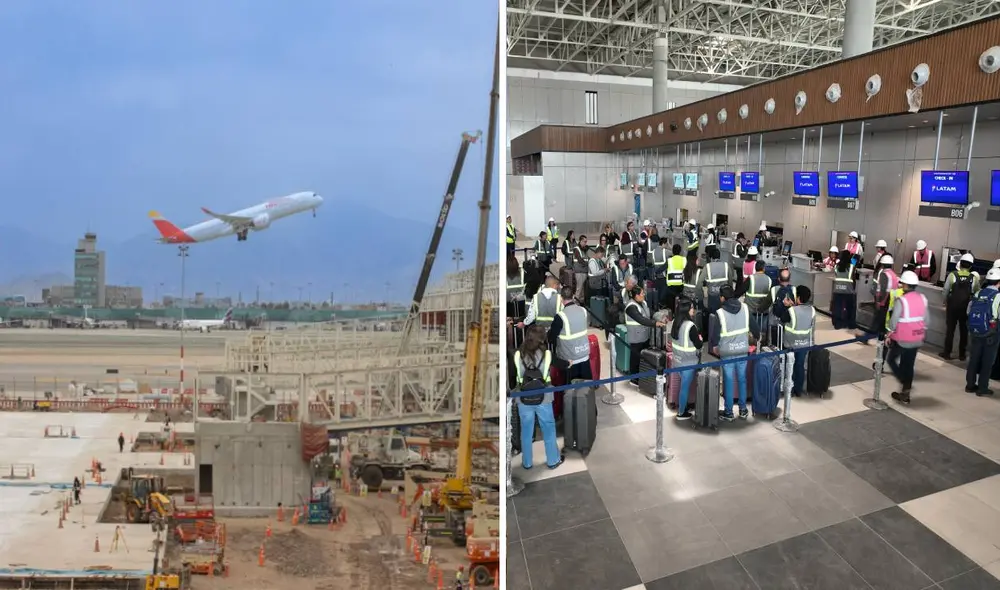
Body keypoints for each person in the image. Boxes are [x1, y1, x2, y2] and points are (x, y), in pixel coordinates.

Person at [513, 326, 563, 470]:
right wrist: (569, 363)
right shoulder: (547, 354)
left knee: (526, 431)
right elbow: (562, 364)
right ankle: (553, 460)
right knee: (548, 429)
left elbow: (513, 377)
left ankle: (527, 462)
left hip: (523, 397)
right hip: (544, 396)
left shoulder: (517, 354)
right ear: (542, 339)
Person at [710, 285, 755, 421]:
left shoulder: (720, 313)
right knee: (742, 379)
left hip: (727, 352)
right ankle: (743, 409)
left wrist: (714, 347)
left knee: (728, 382)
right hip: (742, 349)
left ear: (722, 298)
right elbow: (755, 328)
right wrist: (754, 340)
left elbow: (715, 336)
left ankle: (729, 412)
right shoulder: (745, 308)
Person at [886, 271, 927, 405]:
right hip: (917, 338)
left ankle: (905, 382)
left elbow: (893, 322)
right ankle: (905, 393)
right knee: (908, 364)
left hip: (903, 339)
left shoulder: (901, 301)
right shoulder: (923, 299)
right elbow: (927, 321)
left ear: (905, 285)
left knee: (891, 359)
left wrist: (889, 334)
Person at [965, 267, 1000, 398]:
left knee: (974, 358)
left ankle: (970, 385)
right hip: (991, 333)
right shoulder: (998, 296)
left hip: (975, 331)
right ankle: (982, 388)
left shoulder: (978, 293)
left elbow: (969, 311)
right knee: (987, 361)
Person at [623, 285, 667, 385]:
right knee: (635, 359)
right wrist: (655, 323)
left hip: (645, 336)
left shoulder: (643, 303)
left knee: (642, 358)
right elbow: (641, 319)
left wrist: (660, 317)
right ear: (636, 296)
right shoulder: (631, 307)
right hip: (636, 337)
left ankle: (642, 377)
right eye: (642, 293)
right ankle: (633, 379)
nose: (644, 295)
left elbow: (650, 313)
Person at [776, 285, 816, 396]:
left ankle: (789, 389)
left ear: (797, 297)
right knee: (800, 365)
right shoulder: (812, 310)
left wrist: (786, 305)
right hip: (804, 344)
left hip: (791, 343)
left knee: (789, 365)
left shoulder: (791, 311)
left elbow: (782, 319)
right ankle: (798, 389)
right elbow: (813, 327)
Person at [548, 287, 593, 382]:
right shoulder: (583, 311)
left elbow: (551, 338)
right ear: (573, 296)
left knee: (570, 393)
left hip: (569, 360)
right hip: (584, 355)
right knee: (586, 389)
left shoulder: (560, 316)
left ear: (561, 298)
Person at [941, 252, 979, 360]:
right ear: (971, 265)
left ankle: (947, 353)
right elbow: (977, 293)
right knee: (964, 331)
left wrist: (944, 301)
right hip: (966, 309)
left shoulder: (953, 275)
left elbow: (945, 291)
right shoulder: (973, 278)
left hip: (952, 308)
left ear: (960, 263)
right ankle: (962, 355)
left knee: (950, 331)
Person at [671, 298, 704, 420]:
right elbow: (699, 345)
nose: (693, 310)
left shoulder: (676, 322)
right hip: (688, 362)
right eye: (692, 308)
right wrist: (700, 340)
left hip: (677, 360)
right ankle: (681, 413)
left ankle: (683, 407)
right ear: (686, 310)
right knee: (685, 387)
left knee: (682, 385)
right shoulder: (691, 326)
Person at [743, 260, 772, 343]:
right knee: (762, 332)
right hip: (764, 311)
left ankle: (752, 348)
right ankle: (761, 346)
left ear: (755, 268)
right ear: (764, 269)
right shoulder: (769, 280)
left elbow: (741, 290)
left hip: (750, 311)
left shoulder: (751, 278)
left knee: (751, 332)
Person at [704, 248, 731, 335]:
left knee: (712, 316)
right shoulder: (726, 266)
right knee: (723, 315)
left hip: (712, 296)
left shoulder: (708, 266)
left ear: (711, 258)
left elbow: (701, 281)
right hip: (724, 296)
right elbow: (730, 281)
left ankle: (711, 334)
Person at [872, 254, 898, 342]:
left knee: (878, 319)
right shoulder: (894, 275)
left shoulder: (884, 274)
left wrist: (879, 301)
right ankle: (881, 338)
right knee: (883, 320)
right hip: (892, 300)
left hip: (885, 300)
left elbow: (882, 289)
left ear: (882, 264)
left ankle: (867, 337)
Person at [769, 269, 797, 346]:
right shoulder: (793, 289)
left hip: (776, 322)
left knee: (776, 344)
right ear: (790, 279)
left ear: (779, 279)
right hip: (789, 323)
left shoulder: (774, 289)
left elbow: (767, 303)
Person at [831, 251, 858, 331]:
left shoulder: (836, 266)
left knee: (837, 307)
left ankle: (837, 323)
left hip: (837, 289)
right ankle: (851, 324)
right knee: (850, 307)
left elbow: (836, 275)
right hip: (848, 290)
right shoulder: (851, 266)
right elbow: (853, 279)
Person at [665, 244, 686, 312]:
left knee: (671, 300)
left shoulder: (669, 260)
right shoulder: (684, 260)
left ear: (673, 252)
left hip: (671, 285)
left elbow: (660, 269)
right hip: (681, 284)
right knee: (680, 299)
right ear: (680, 252)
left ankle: (672, 313)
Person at [650, 238, 670, 309]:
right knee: (664, 291)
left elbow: (652, 263)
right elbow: (673, 254)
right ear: (664, 244)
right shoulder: (666, 251)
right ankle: (662, 304)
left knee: (657, 291)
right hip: (664, 275)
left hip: (656, 275)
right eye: (666, 244)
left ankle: (657, 305)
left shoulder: (653, 251)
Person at [572, 235, 590, 302]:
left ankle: (581, 302)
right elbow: (580, 260)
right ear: (580, 241)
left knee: (582, 289)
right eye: (584, 241)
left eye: (586, 241)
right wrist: (588, 264)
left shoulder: (585, 249)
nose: (585, 243)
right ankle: (575, 303)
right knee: (579, 288)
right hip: (579, 271)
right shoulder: (576, 249)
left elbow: (587, 258)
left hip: (584, 271)